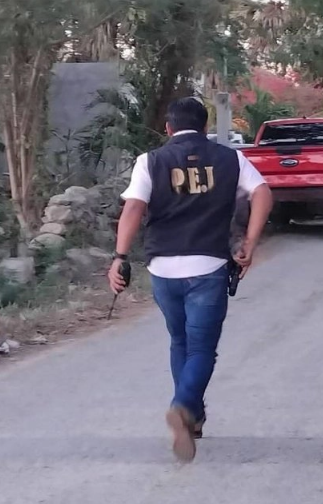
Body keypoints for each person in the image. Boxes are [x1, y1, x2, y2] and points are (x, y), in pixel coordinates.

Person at [108, 97, 272, 463]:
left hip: (162, 269)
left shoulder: (150, 161)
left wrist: (119, 257)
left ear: (168, 128)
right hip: (208, 265)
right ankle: (182, 405)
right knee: (202, 349)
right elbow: (263, 193)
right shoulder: (231, 159)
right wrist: (249, 242)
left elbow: (133, 207)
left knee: (180, 340)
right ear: (205, 126)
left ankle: (192, 417)